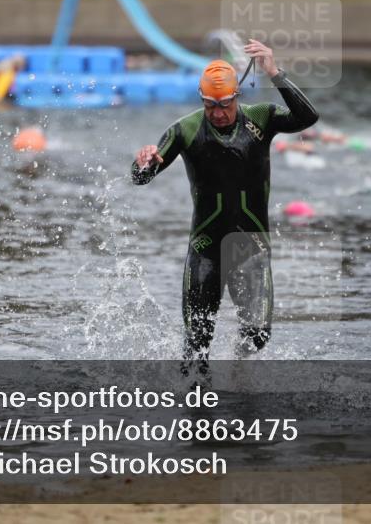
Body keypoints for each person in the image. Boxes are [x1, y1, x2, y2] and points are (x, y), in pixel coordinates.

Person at [131, 40, 319, 374]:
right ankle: (195, 406)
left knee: (258, 336)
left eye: (224, 105)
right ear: (202, 101)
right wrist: (143, 163)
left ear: (236, 97)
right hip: (206, 248)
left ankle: (237, 370)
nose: (217, 113)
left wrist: (274, 73)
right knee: (197, 343)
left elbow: (308, 116)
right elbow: (141, 178)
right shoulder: (185, 130)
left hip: (252, 247)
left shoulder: (261, 118)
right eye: (210, 105)